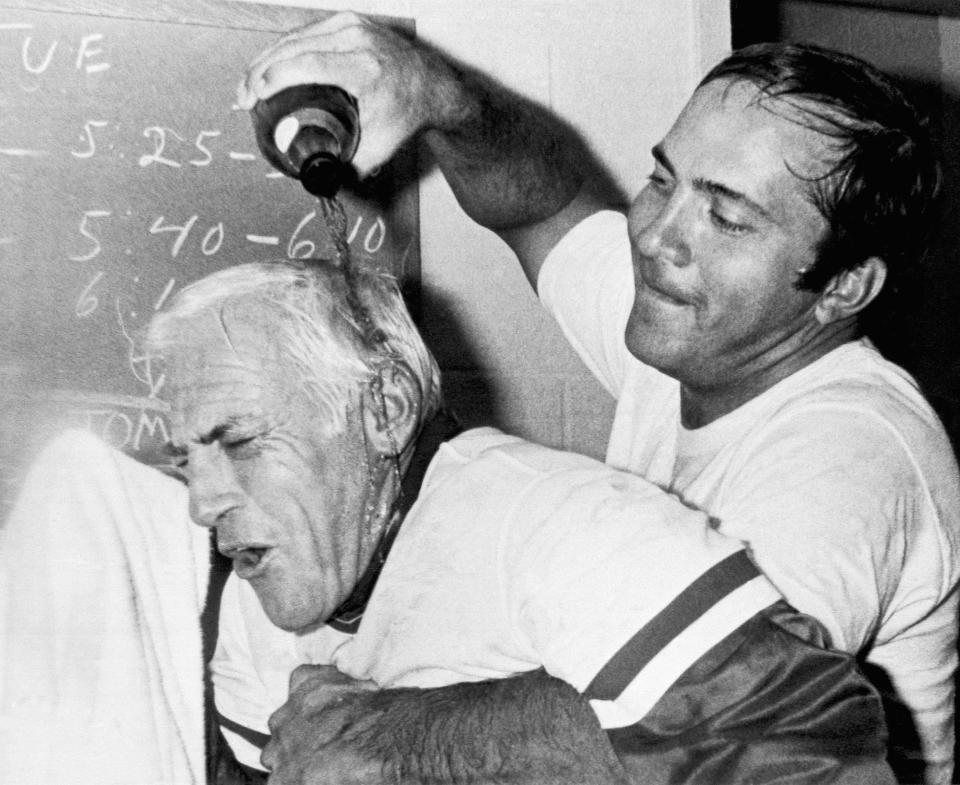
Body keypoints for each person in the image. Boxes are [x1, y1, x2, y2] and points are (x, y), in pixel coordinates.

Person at [236, 12, 960, 785]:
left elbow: (712, 708)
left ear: (844, 286)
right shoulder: (700, 325)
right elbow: (542, 205)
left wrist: (382, 734)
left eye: (727, 215)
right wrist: (440, 97)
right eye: (662, 179)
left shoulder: (851, 455)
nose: (655, 236)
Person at [1, 258, 895, 784]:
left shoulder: (561, 527)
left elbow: (824, 744)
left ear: (385, 408)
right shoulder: (260, 599)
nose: (203, 500)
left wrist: (412, 740)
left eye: (237, 440)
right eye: (188, 456)